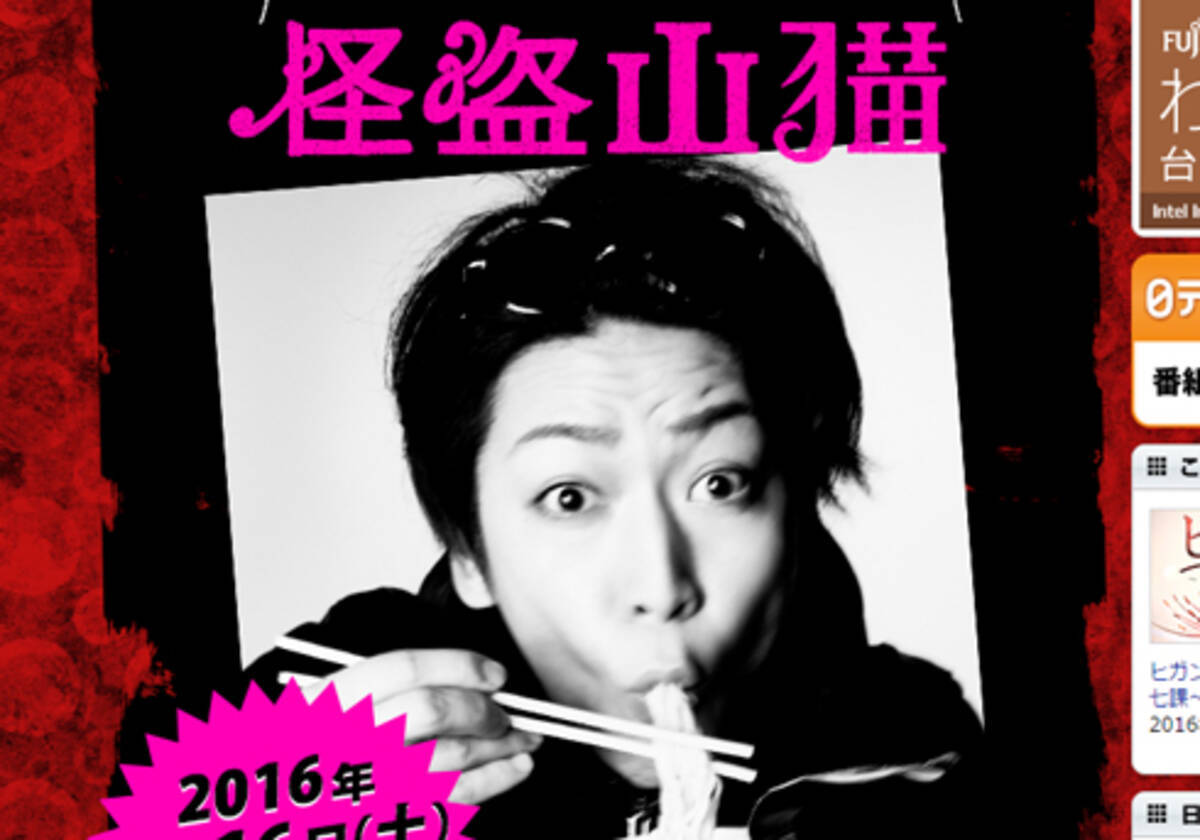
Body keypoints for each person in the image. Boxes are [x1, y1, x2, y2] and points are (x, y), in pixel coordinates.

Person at [246, 158, 982, 838]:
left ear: (794, 509)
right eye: (570, 497)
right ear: (469, 550)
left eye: (719, 484)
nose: (660, 588)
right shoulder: (321, 706)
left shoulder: (908, 743)